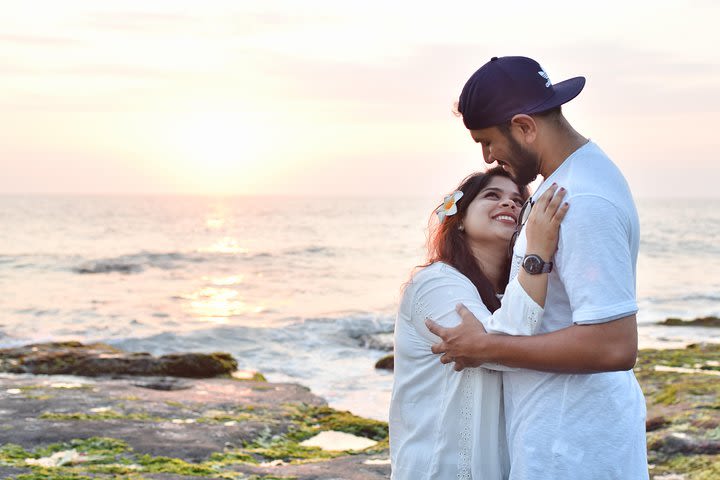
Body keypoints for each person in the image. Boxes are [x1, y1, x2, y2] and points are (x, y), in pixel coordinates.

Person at [427, 56, 648, 479]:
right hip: (562, 437)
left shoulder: (582, 200)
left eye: (487, 141)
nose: (487, 156)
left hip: (575, 446)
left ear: (525, 127)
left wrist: (486, 348)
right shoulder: (570, 180)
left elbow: (614, 345)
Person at [389, 166, 568, 480]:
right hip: (438, 467)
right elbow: (506, 346)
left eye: (517, 200)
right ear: (458, 219)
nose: (509, 204)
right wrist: (538, 252)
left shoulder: (509, 292)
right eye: (492, 196)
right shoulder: (436, 284)